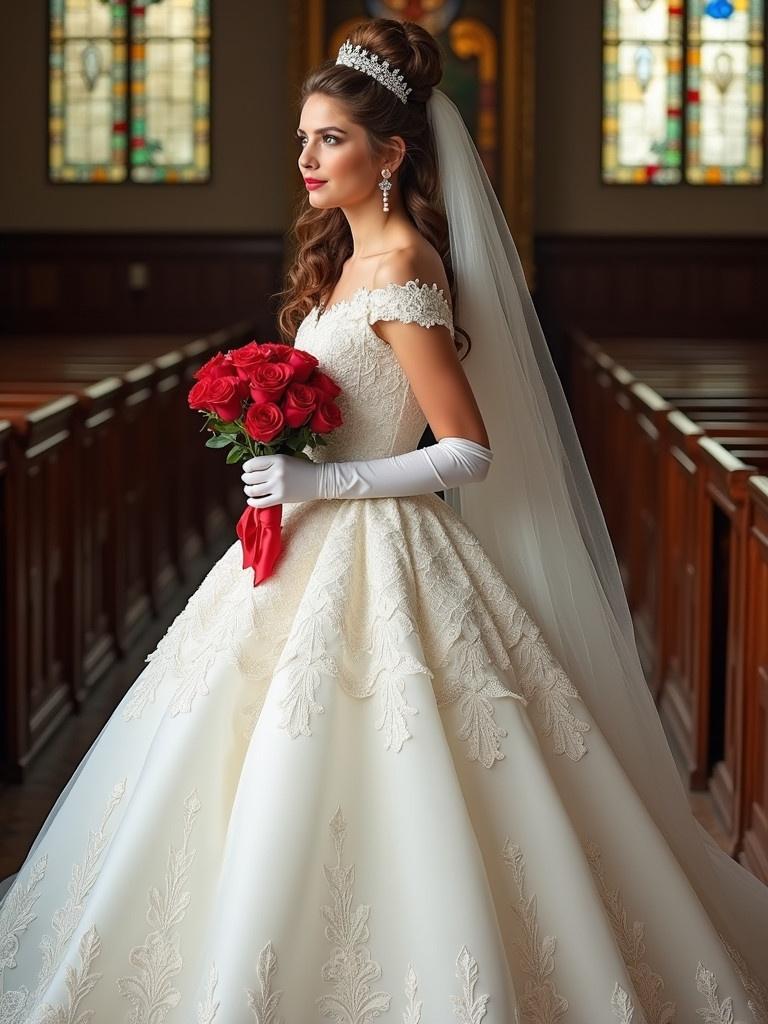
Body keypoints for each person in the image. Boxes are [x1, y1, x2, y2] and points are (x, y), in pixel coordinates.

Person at [1, 16, 766, 1023]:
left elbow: (467, 448)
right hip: (297, 547)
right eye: (303, 140)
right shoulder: (347, 260)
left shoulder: (404, 266)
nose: (309, 159)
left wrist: (321, 486)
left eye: (332, 140)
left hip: (379, 544)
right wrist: (277, 457)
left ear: (392, 152)